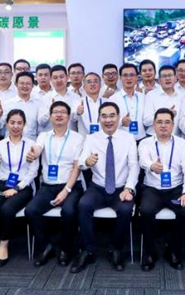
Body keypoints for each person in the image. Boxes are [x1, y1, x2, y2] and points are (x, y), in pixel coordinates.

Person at [72, 102, 139, 273]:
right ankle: (88, 250)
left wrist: (129, 189)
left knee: (125, 210)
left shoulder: (128, 138)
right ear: (99, 119)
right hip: (98, 187)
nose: (108, 120)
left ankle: (115, 249)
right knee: (83, 205)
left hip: (121, 188)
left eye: (112, 116)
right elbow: (81, 163)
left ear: (118, 117)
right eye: (104, 116)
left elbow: (134, 166)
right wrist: (87, 162)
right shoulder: (91, 138)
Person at [25, 101, 85, 267]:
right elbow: (37, 149)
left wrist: (66, 190)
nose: (59, 115)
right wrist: (33, 154)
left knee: (69, 211)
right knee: (31, 211)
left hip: (71, 185)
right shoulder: (43, 136)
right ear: (50, 117)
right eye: (55, 112)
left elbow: (77, 167)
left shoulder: (77, 138)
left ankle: (65, 249)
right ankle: (46, 246)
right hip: (49, 186)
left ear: (69, 116)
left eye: (63, 112)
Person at [137, 107, 185, 271]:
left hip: (175, 188)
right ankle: (150, 252)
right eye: (159, 122)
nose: (163, 125)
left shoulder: (181, 143)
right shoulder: (145, 143)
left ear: (173, 125)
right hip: (152, 188)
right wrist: (151, 166)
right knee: (145, 211)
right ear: (154, 125)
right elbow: (142, 161)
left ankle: (173, 251)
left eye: (167, 122)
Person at [0, 109, 39, 267]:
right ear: (7, 124)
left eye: (19, 123)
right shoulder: (0, 145)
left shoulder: (32, 145)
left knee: (7, 210)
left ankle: (4, 244)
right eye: (12, 122)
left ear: (24, 124)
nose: (16, 126)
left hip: (23, 186)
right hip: (3, 184)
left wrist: (17, 188)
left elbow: (33, 172)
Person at [109, 63, 146, 142]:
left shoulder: (143, 97)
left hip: (141, 139)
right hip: (121, 140)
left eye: (132, 75)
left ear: (137, 77)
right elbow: (109, 119)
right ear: (120, 78)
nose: (128, 78)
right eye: (125, 75)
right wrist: (121, 121)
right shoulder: (113, 99)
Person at [39, 65, 82, 133]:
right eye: (55, 78)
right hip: (51, 137)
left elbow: (75, 119)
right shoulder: (44, 98)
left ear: (67, 77)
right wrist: (50, 111)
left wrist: (78, 113)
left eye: (61, 77)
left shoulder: (76, 97)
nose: (59, 80)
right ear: (51, 79)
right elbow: (41, 122)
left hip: (71, 136)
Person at [0, 72, 41, 141]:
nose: (25, 86)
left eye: (28, 84)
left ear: (32, 85)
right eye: (22, 83)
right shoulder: (7, 104)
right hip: (10, 144)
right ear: (16, 84)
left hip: (31, 143)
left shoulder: (38, 104)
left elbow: (41, 127)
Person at [143, 65, 181, 138]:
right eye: (164, 76)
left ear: (175, 78)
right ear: (159, 80)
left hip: (175, 138)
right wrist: (165, 114)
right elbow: (146, 121)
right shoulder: (151, 95)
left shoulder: (181, 96)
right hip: (154, 137)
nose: (167, 78)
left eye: (170, 75)